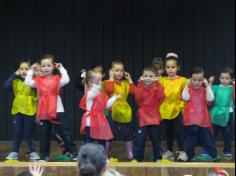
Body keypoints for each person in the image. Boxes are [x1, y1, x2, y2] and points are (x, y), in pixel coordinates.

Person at [25, 54, 78, 162]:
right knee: (44, 134)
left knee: (64, 132)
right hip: (44, 110)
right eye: (43, 66)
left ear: (53, 67)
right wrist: (31, 70)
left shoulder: (57, 79)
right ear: (40, 67)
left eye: (48, 65)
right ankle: (44, 156)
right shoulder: (38, 80)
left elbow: (66, 79)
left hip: (58, 109)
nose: (46, 68)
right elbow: (27, 82)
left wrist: (61, 68)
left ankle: (74, 153)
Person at [3, 60, 39, 161]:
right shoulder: (16, 81)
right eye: (21, 69)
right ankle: (14, 152)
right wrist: (14, 74)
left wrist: (34, 73)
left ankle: (32, 152)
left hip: (30, 109)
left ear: (30, 71)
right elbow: (5, 85)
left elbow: (40, 88)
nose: (23, 71)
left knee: (29, 132)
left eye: (26, 69)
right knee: (17, 132)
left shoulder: (32, 82)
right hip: (18, 110)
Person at [182, 67, 219, 162]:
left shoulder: (204, 90)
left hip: (203, 120)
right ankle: (190, 157)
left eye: (199, 80)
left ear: (203, 80)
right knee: (190, 141)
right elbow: (185, 98)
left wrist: (207, 86)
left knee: (208, 139)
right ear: (190, 80)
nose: (197, 82)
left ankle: (214, 156)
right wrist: (186, 85)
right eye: (194, 80)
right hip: (190, 120)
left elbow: (210, 98)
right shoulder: (188, 89)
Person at [80, 70, 120, 148]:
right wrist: (96, 86)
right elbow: (93, 93)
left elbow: (106, 105)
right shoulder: (89, 92)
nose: (101, 82)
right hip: (90, 121)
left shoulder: (101, 93)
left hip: (101, 119)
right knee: (89, 141)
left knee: (102, 140)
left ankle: (103, 157)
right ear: (90, 82)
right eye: (98, 80)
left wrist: (114, 98)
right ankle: (88, 157)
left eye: (101, 80)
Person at [103, 61, 135, 160]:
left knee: (126, 132)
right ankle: (106, 152)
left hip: (123, 111)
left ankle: (129, 152)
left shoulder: (125, 83)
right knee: (109, 132)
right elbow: (109, 90)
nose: (120, 73)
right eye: (117, 70)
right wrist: (111, 78)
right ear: (111, 71)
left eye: (121, 70)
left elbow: (133, 91)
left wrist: (129, 79)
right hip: (110, 109)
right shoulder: (106, 82)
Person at [159, 53, 188, 161]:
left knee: (179, 131)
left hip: (177, 109)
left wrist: (181, 107)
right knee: (167, 132)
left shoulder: (183, 80)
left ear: (178, 67)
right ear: (164, 68)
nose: (170, 69)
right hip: (165, 109)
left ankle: (182, 152)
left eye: (173, 67)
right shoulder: (162, 80)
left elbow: (185, 96)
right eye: (168, 67)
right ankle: (169, 151)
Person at [132, 66, 165, 162]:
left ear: (155, 77)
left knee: (156, 139)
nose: (148, 78)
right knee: (139, 139)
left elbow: (161, 96)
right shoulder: (140, 86)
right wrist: (139, 84)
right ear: (142, 76)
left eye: (151, 76)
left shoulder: (158, 86)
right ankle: (137, 158)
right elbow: (138, 98)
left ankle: (157, 158)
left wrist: (158, 83)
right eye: (145, 76)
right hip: (143, 117)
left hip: (155, 117)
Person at [209, 68, 235, 160]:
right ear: (219, 78)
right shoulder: (216, 87)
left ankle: (227, 150)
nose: (224, 80)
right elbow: (209, 95)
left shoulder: (232, 88)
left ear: (231, 79)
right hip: (215, 113)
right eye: (222, 78)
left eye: (227, 78)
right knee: (212, 133)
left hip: (228, 114)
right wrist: (210, 83)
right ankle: (209, 149)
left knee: (227, 134)